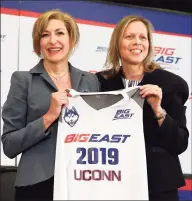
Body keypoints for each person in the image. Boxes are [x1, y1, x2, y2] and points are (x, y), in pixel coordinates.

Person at [1, 9, 100, 201]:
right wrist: (49, 117)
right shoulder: (23, 80)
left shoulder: (91, 81)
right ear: (38, 43)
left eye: (60, 33)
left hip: (81, 182)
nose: (53, 40)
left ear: (72, 39)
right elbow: (9, 144)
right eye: (45, 35)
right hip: (36, 185)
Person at [96, 15, 189, 201]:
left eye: (142, 37)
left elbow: (180, 143)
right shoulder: (100, 83)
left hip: (159, 186)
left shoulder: (171, 84)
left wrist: (158, 110)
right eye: (129, 36)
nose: (137, 42)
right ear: (117, 43)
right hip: (113, 183)